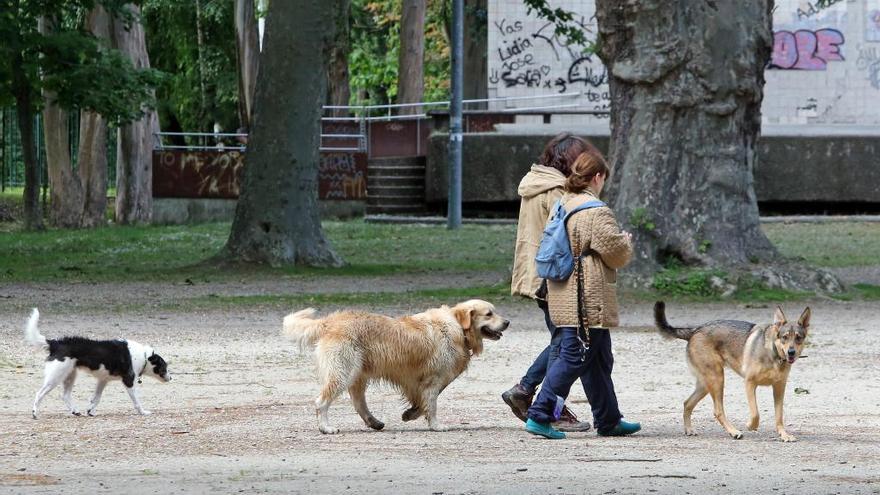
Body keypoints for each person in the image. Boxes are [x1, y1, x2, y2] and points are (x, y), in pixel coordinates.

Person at [524, 147, 641, 439]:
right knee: (574, 356)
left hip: (564, 291)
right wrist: (625, 242)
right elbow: (615, 255)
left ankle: (609, 419)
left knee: (599, 358)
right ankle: (539, 415)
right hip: (587, 298)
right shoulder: (597, 211)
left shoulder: (563, 203)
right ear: (598, 177)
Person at [502, 133, 596, 432]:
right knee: (566, 342)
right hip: (553, 277)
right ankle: (536, 398)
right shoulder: (555, 190)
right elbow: (568, 233)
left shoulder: (535, 184)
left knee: (562, 339)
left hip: (537, 273)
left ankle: (531, 393)